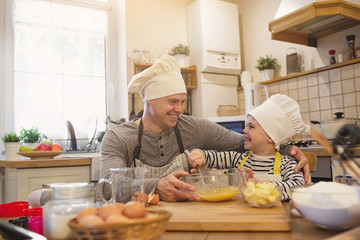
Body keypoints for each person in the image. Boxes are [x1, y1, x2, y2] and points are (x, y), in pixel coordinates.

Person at [100, 54, 309, 202]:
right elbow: (108, 187)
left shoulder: (194, 128)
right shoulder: (118, 137)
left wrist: (284, 150)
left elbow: (244, 144)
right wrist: (156, 186)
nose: (180, 109)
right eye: (173, 101)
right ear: (149, 101)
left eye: (182, 101)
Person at [187, 94, 306, 200]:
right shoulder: (237, 159)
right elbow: (212, 158)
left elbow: (299, 187)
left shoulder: (287, 164)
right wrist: (200, 155)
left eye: (251, 127)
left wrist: (262, 185)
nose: (244, 130)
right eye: (246, 126)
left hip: (274, 217)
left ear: (271, 137)